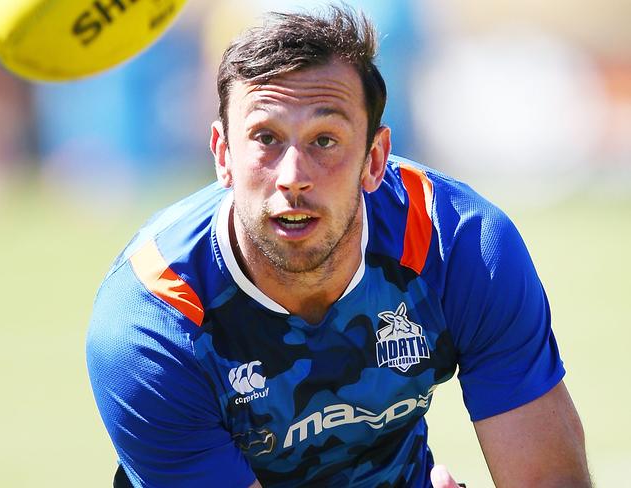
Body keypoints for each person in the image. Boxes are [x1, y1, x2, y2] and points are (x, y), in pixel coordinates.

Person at [87, 6, 591, 487]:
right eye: (265, 138)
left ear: (374, 160)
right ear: (222, 156)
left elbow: (549, 477)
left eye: (324, 140)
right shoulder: (153, 319)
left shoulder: (457, 246)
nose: (293, 177)